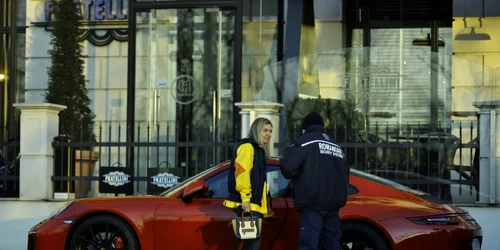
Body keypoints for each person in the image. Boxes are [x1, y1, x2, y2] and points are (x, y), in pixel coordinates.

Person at [280, 112, 350, 250]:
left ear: (305, 128)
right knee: (331, 246)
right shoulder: (336, 146)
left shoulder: (305, 141)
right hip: (334, 208)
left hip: (312, 208)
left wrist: (284, 158)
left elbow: (288, 168)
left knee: (309, 246)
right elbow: (345, 173)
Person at [223, 117, 275, 250]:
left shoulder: (258, 150)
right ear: (257, 130)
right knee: (252, 244)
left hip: (253, 203)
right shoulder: (247, 147)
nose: (268, 134)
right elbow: (242, 173)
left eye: (270, 131)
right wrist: (246, 198)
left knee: (251, 243)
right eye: (265, 130)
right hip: (248, 204)